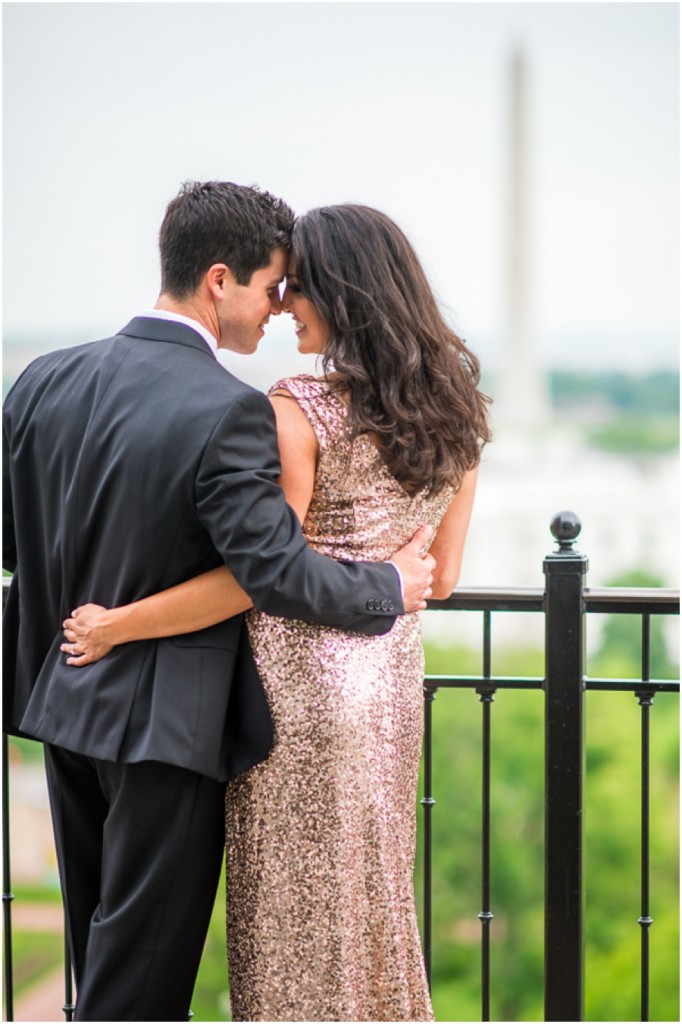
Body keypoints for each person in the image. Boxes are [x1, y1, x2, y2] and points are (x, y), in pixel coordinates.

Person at [2, 183, 436, 1023]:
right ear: (217, 280)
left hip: (60, 706)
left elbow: (14, 546)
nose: (279, 309)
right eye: (272, 286)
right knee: (143, 984)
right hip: (166, 731)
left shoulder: (39, 382)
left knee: (100, 966)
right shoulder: (229, 410)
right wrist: (389, 586)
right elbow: (274, 570)